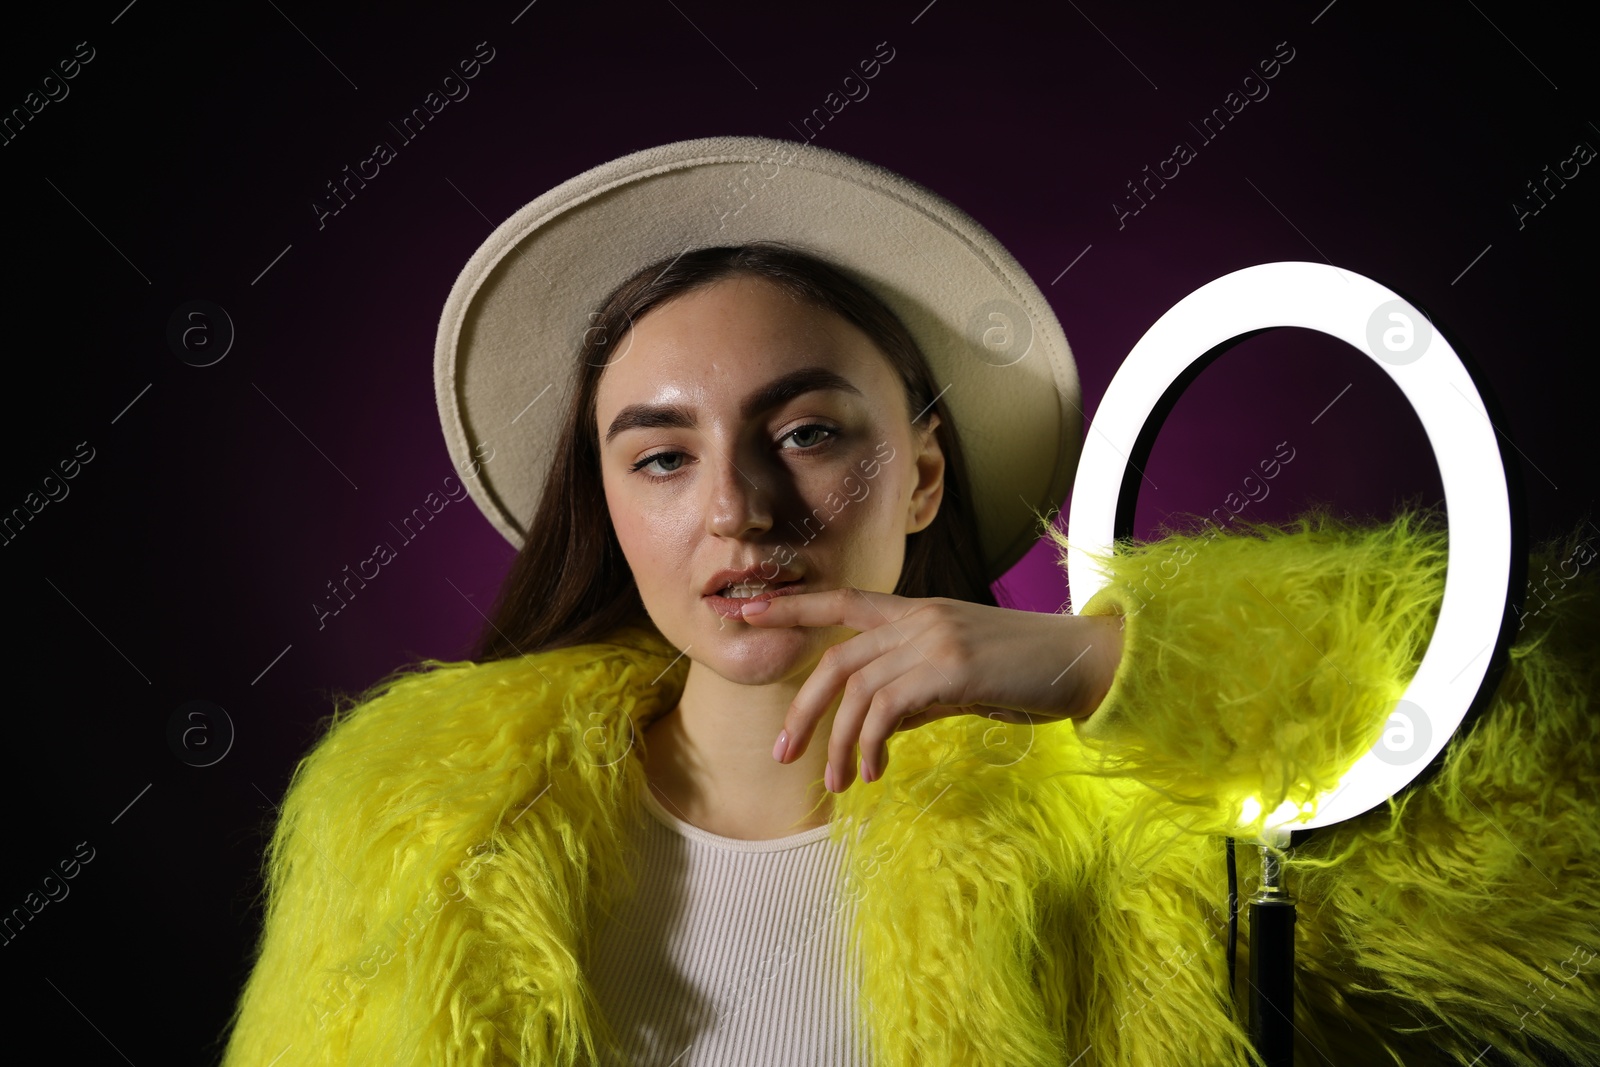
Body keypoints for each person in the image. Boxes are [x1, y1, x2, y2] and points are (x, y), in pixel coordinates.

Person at [217, 138, 1599, 1067]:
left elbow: (1543, 834)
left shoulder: (1122, 830)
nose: (738, 509)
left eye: (808, 433)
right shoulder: (403, 823)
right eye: (661, 454)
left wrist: (1102, 668)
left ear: (924, 476)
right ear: (610, 502)